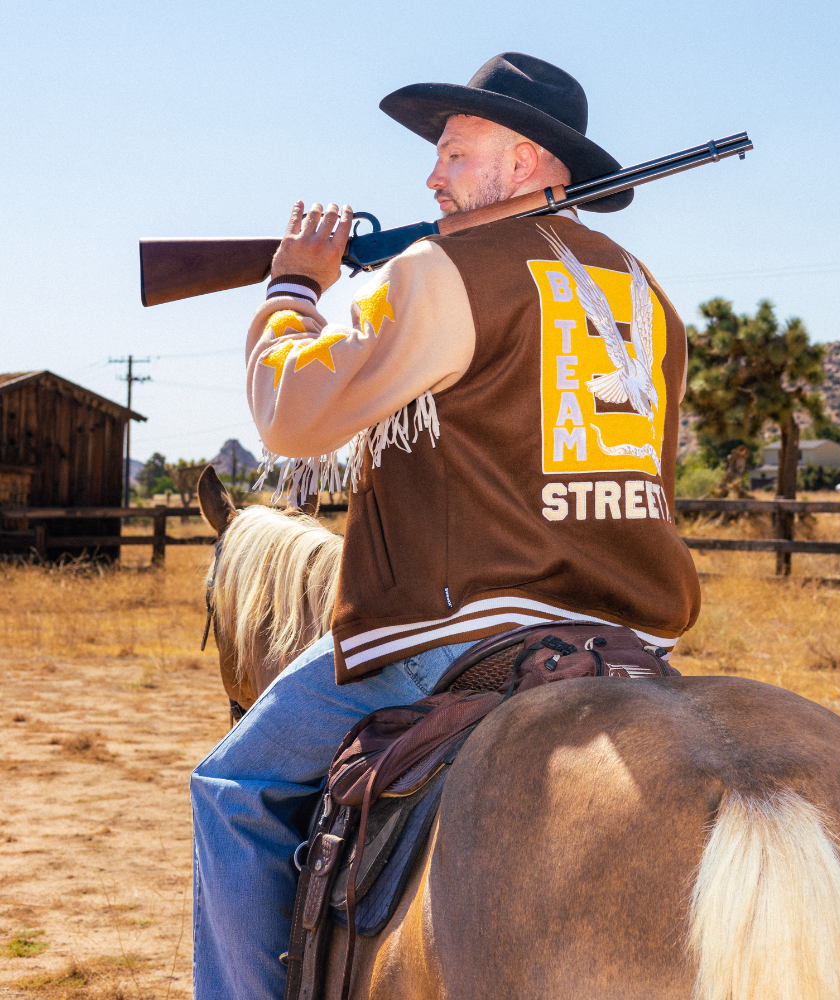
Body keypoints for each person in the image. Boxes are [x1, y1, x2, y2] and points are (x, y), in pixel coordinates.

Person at [190, 52, 700, 999]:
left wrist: (293, 289)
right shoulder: (649, 293)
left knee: (232, 790)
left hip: (452, 629)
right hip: (631, 636)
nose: (431, 177)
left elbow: (293, 417)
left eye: (455, 153)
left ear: (524, 163)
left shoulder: (445, 268)